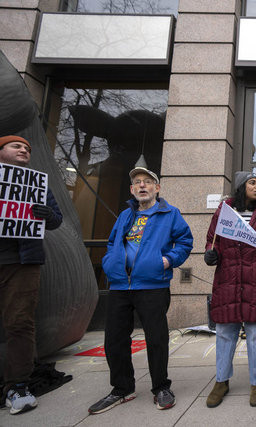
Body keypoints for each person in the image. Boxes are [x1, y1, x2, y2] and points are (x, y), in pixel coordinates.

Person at [89, 167, 193, 414]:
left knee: (156, 338)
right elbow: (113, 242)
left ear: (157, 188)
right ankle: (122, 389)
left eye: (148, 182)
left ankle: (161, 388)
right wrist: (109, 262)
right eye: (137, 183)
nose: (142, 186)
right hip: (119, 285)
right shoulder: (125, 215)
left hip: (152, 285)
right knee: (114, 339)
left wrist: (166, 261)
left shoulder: (170, 213)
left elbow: (186, 241)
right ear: (132, 190)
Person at [203, 171, 256, 408]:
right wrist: (211, 253)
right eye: (252, 183)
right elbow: (211, 239)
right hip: (227, 280)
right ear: (240, 187)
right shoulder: (224, 212)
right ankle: (221, 381)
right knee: (225, 333)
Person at [0, 135, 63, 415]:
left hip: (24, 262)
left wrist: (47, 214)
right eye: (17, 146)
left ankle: (18, 385)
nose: (24, 149)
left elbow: (57, 219)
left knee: (20, 322)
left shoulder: (36, 184)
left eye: (27, 147)